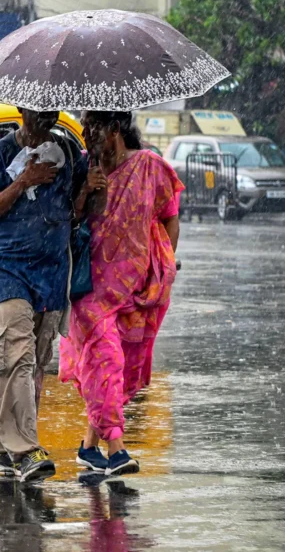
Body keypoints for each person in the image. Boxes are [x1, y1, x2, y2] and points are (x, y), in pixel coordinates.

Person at [0, 108, 90, 483]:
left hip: (51, 273)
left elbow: (74, 215)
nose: (46, 116)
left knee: (33, 364)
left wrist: (88, 189)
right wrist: (24, 180)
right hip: (8, 269)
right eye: (38, 110)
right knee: (12, 357)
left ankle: (6, 449)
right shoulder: (3, 152)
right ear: (22, 110)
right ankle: (26, 449)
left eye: (52, 110)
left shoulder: (69, 152)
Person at [60, 111, 183, 476]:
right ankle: (116, 449)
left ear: (114, 128)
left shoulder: (149, 167)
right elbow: (66, 220)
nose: (85, 133)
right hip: (89, 287)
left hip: (134, 288)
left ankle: (88, 447)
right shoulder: (82, 168)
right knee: (107, 360)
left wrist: (164, 265)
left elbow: (168, 216)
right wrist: (85, 191)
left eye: (92, 126)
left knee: (116, 371)